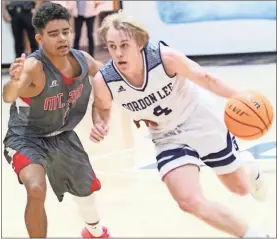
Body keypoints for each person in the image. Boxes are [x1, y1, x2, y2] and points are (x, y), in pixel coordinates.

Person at [89, 11, 270, 238]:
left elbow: (207, 79)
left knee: (240, 189)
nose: (118, 53)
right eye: (112, 46)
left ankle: (248, 165)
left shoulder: (164, 58)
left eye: (124, 45)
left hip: (200, 120)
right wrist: (100, 123)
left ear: (140, 43)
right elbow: (102, 108)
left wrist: (244, 97)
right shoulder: (105, 80)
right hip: (166, 135)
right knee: (188, 200)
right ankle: (255, 236)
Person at [3, 2, 110, 238]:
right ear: (40, 38)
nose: (62, 38)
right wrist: (13, 80)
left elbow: (110, 77)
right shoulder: (33, 67)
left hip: (63, 135)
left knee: (85, 191)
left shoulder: (82, 59)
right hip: (26, 138)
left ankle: (94, 231)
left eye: (66, 31)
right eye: (53, 34)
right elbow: (8, 96)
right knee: (36, 188)